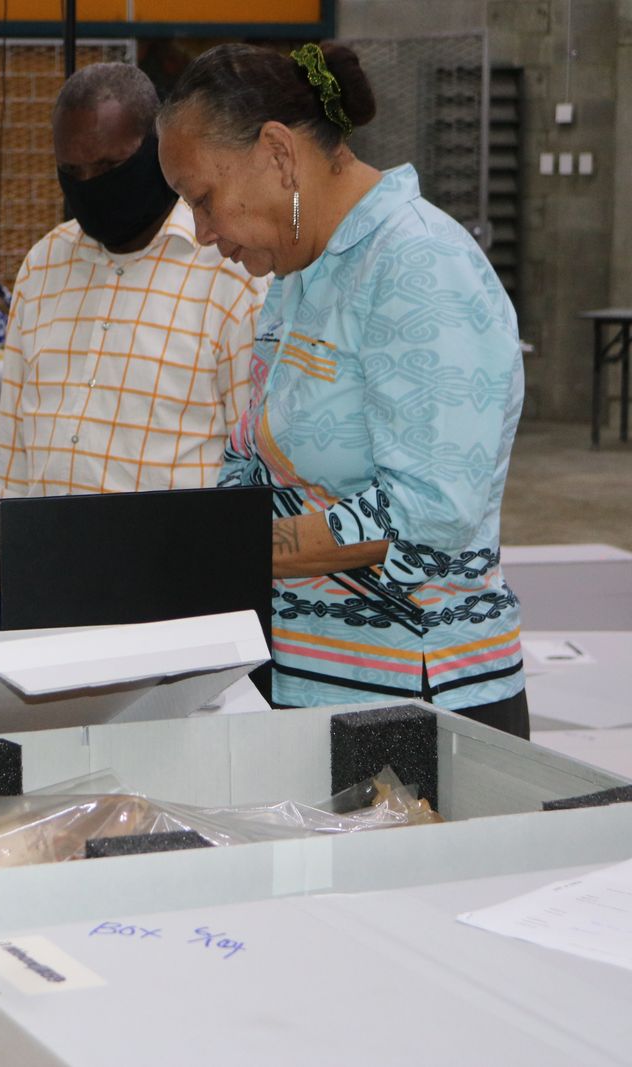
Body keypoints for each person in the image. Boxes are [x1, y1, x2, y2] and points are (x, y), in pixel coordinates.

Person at [156, 43, 528, 736]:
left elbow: (431, 512)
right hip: (306, 678)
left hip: (416, 699)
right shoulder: (301, 276)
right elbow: (255, 457)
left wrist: (235, 550)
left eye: (203, 199)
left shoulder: (419, 264)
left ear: (277, 152)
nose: (202, 233)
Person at [0, 62, 267, 591]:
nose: (92, 186)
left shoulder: (229, 273)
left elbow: (255, 475)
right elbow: (14, 465)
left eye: (111, 165)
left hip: (173, 585)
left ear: (157, 149)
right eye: (74, 173)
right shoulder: (44, 266)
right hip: (50, 581)